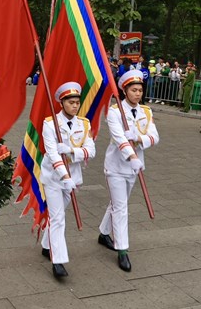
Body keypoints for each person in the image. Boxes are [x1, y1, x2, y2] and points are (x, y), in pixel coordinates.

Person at [98, 70, 159, 272]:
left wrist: (139, 138)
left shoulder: (146, 112)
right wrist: (131, 156)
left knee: (117, 202)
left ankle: (103, 232)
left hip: (135, 168)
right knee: (122, 207)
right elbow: (118, 138)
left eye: (140, 90)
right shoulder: (115, 112)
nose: (138, 94)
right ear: (124, 91)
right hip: (117, 166)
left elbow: (154, 137)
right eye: (133, 90)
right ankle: (122, 249)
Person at [40, 82, 96, 279]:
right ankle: (59, 261)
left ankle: (47, 245)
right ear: (61, 103)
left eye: (77, 102)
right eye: (71, 102)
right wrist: (64, 176)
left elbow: (91, 150)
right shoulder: (49, 124)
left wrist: (72, 151)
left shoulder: (84, 124)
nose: (75, 106)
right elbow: (53, 154)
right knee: (58, 218)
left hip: (73, 178)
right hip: (54, 178)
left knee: (58, 214)